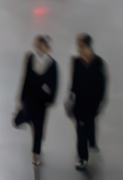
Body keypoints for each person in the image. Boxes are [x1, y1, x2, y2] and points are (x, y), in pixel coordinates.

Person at [15, 35, 58, 167]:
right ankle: (24, 119)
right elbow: (25, 78)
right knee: (23, 119)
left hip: (41, 101)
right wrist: (21, 96)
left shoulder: (52, 64)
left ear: (47, 48)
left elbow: (55, 83)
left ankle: (36, 153)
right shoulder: (30, 59)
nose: (39, 48)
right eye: (37, 45)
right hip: (29, 98)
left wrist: (50, 99)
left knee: (38, 128)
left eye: (42, 45)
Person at [67, 34, 107, 171]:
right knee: (80, 132)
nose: (78, 48)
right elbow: (73, 81)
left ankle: (92, 141)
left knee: (90, 124)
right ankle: (82, 158)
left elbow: (102, 84)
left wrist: (100, 102)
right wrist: (70, 97)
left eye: (80, 45)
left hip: (93, 103)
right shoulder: (76, 61)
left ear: (87, 46)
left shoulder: (99, 63)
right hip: (79, 103)